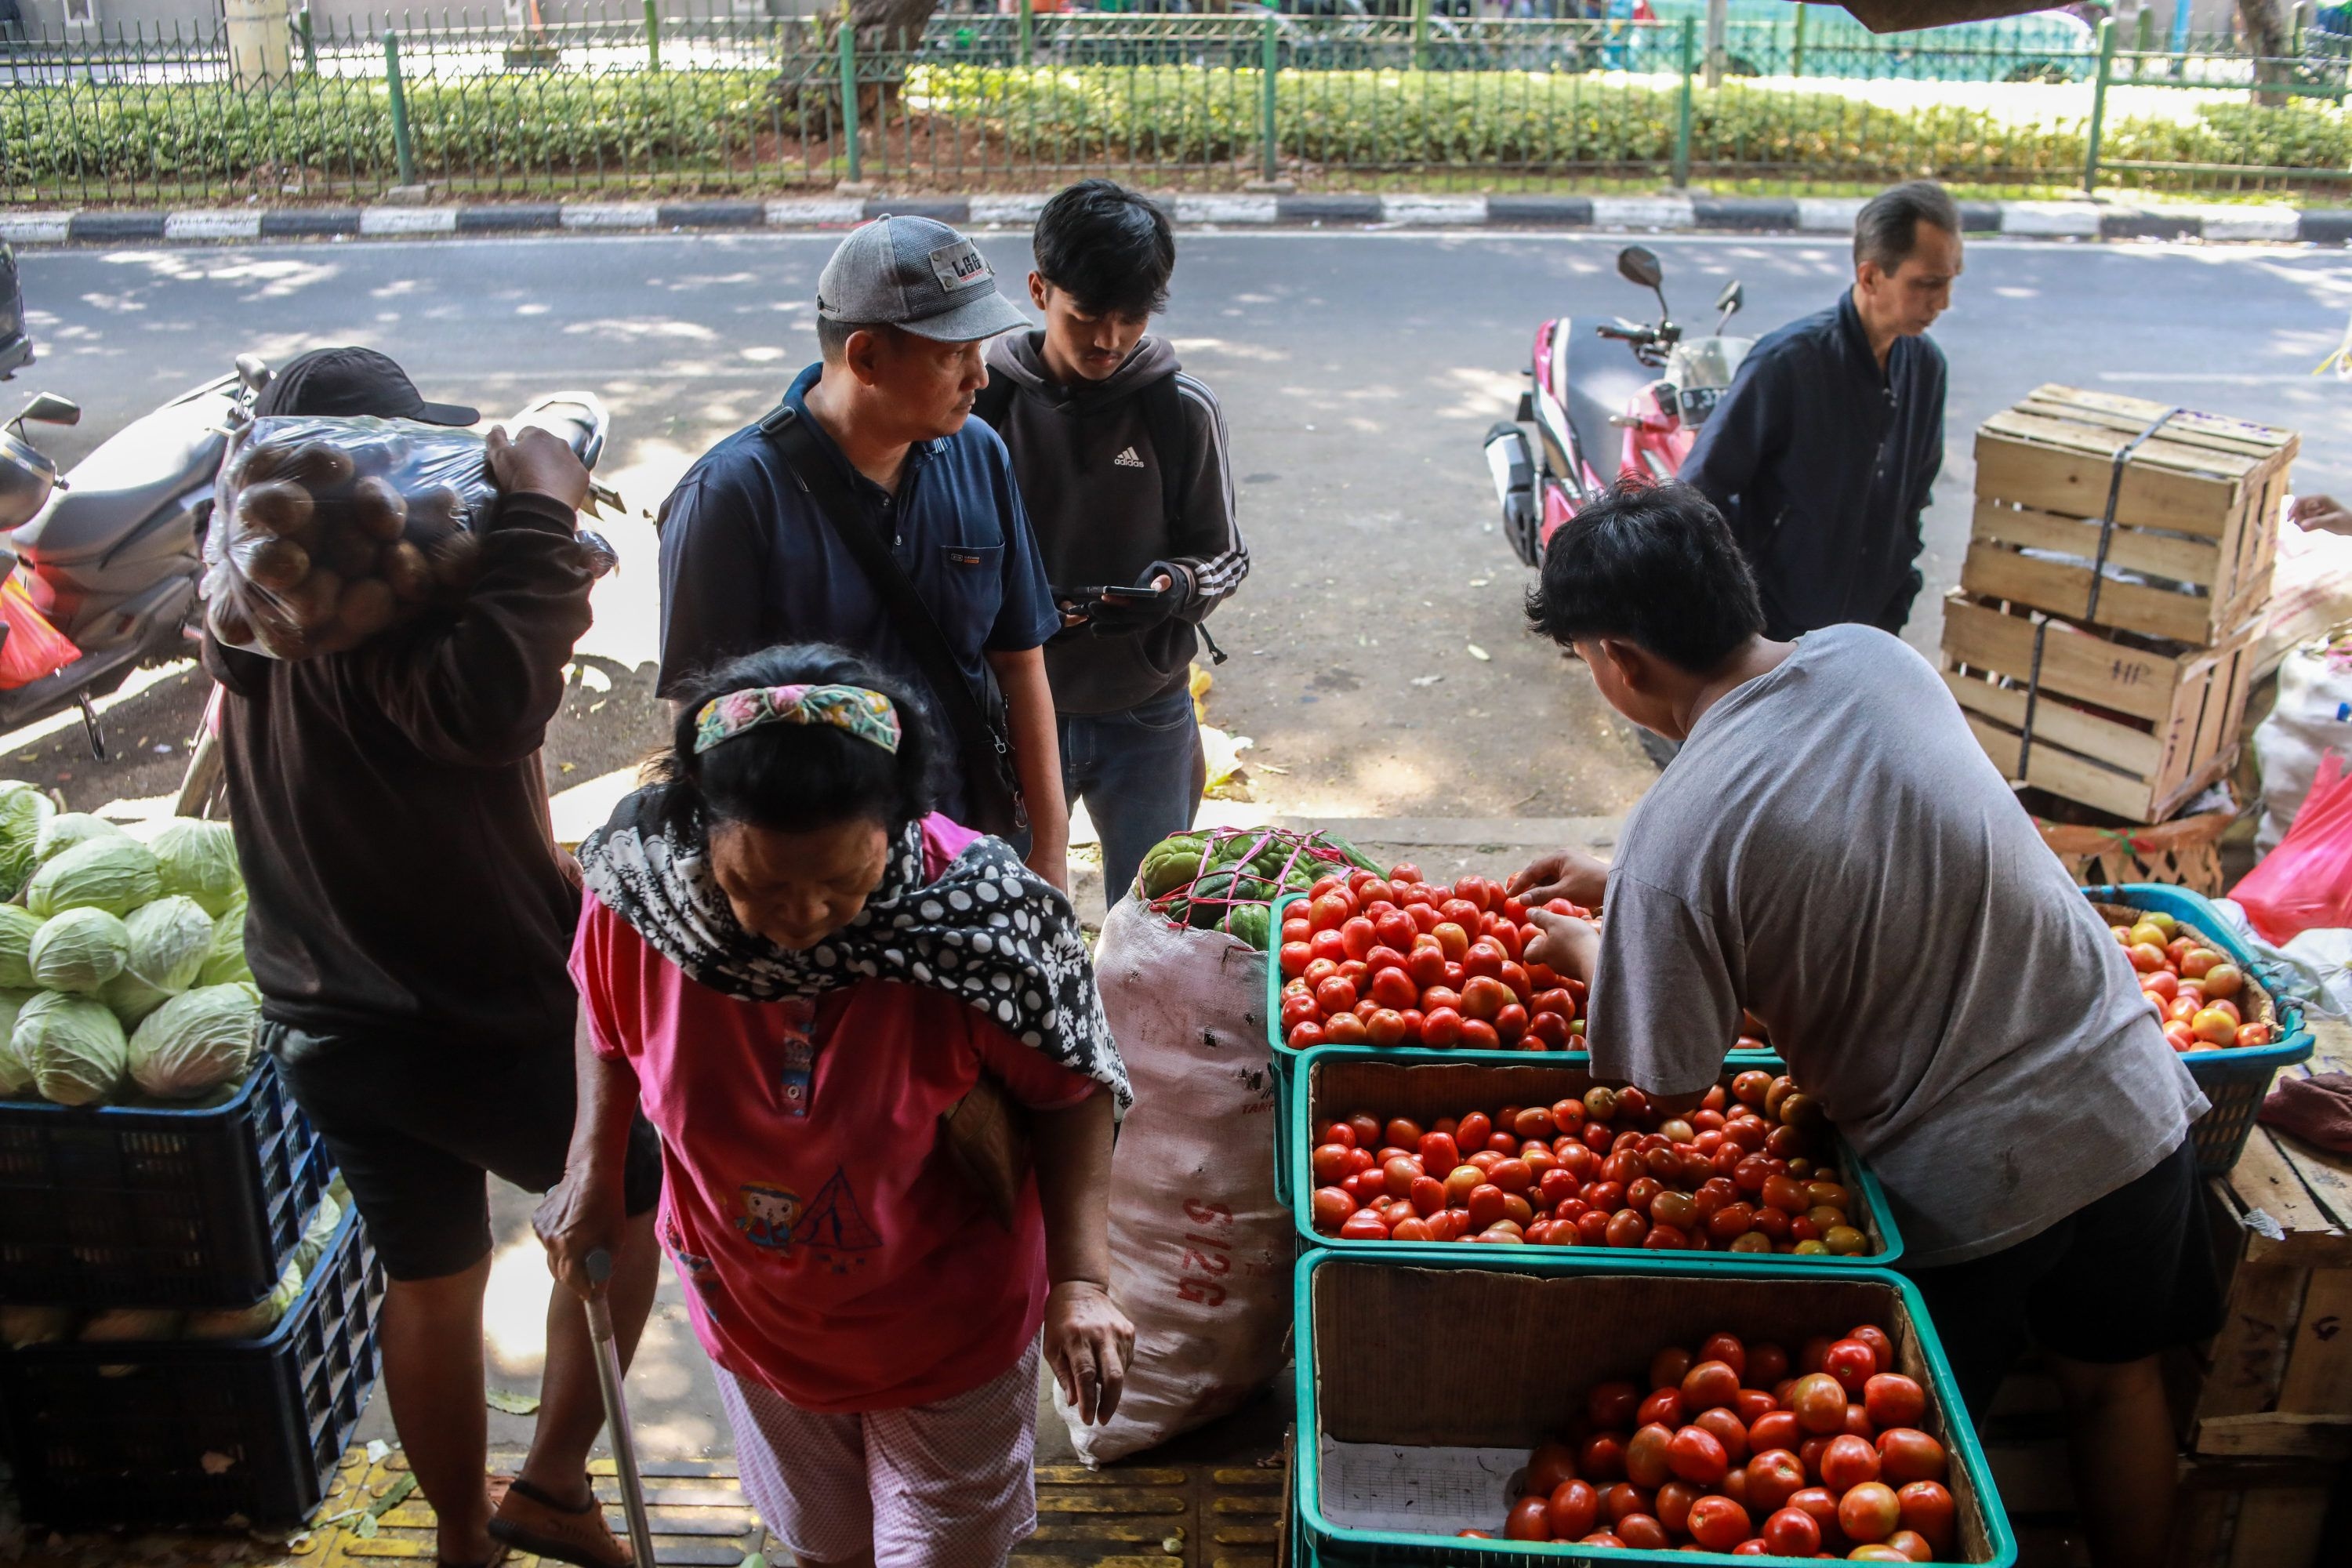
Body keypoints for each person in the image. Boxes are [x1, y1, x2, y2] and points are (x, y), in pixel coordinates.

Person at [1509, 481, 2216, 1568]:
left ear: (1619, 659)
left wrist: (1595, 952)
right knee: (2116, 1387)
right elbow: (1854, 860)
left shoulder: (1679, 824)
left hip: (1981, 1184)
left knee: (1926, 1478)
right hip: (2131, 1101)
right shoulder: (1872, 657)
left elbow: (1675, 1078)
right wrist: (1627, 888)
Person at [205, 347, 665, 1568]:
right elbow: (492, 704)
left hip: (322, 1010)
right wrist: (541, 509)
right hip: (472, 1011)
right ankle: (555, 1484)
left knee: (431, 1274)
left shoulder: (253, 619)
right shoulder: (395, 628)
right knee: (622, 1200)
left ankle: (465, 1537)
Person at [541, 642, 1134, 1568]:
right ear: (705, 826)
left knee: (941, 1557)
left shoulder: (983, 927)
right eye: (760, 885)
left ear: (898, 825)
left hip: (948, 1328)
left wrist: (1082, 1281)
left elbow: (1073, 1091)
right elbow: (606, 1018)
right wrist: (591, 1162)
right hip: (751, 1311)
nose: (802, 916)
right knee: (821, 1548)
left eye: (841, 883)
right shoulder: (641, 894)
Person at [653, 215, 1071, 890]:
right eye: (952, 354)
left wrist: (1049, 852)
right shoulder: (730, 497)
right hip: (813, 884)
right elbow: (699, 723)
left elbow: (1020, 662)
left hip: (966, 856)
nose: (980, 377)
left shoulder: (977, 453)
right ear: (866, 357)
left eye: (980, 349)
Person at [975, 180, 1248, 910]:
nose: (1108, 340)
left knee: (1153, 919)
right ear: (1039, 290)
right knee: (1017, 908)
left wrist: (1174, 590)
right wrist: (1016, 610)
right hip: (1011, 710)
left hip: (1147, 711)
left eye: (1130, 318)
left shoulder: (1182, 408)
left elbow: (1227, 555)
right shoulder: (981, 402)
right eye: (1087, 315)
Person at [1682, 179, 1959, 640]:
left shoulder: (1926, 367)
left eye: (1950, 281)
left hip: (1863, 636)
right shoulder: (1788, 363)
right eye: (1927, 284)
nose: (1943, 302)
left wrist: (1895, 603)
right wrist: (1736, 621)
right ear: (1870, 277)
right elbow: (1696, 496)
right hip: (1770, 634)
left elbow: (1912, 503)